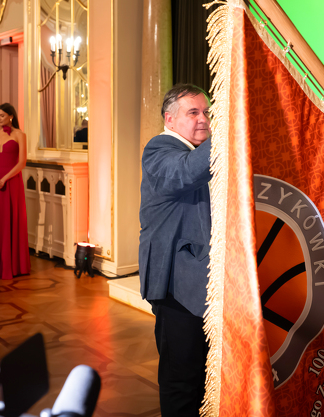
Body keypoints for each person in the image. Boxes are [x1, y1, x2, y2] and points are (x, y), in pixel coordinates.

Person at [139, 84, 212, 416]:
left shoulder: (200, 151)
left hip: (205, 285)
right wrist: (230, 131)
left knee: (203, 377)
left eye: (207, 112)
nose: (203, 119)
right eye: (193, 112)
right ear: (170, 119)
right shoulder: (159, 148)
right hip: (177, 287)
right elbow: (184, 172)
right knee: (181, 380)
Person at [0, 103, 30, 279]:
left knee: (12, 220)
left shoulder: (20, 135)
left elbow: (22, 163)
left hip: (12, 183)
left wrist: (4, 179)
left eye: (2, 115)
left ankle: (14, 265)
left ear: (11, 116)